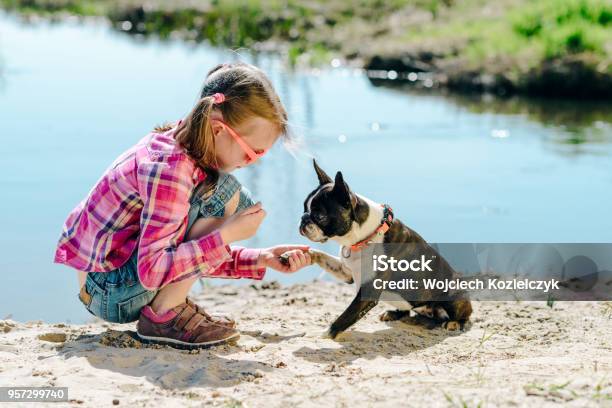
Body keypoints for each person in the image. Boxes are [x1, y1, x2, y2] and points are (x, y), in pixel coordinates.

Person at [54, 62, 312, 349]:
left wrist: (259, 258)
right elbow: (154, 269)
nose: (252, 162)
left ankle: (168, 307)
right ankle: (165, 315)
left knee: (229, 197)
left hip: (113, 279)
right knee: (229, 197)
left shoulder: (185, 147)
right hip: (109, 290)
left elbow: (180, 248)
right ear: (218, 130)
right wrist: (226, 234)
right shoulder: (171, 171)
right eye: (253, 153)